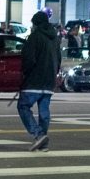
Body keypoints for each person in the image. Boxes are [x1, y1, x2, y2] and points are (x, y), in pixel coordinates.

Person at [17, 11, 61, 152]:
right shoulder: (54, 39)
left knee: (23, 106)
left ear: (36, 24)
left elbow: (28, 58)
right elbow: (58, 59)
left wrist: (25, 73)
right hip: (49, 80)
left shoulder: (35, 37)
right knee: (44, 111)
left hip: (34, 80)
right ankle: (43, 142)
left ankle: (38, 134)